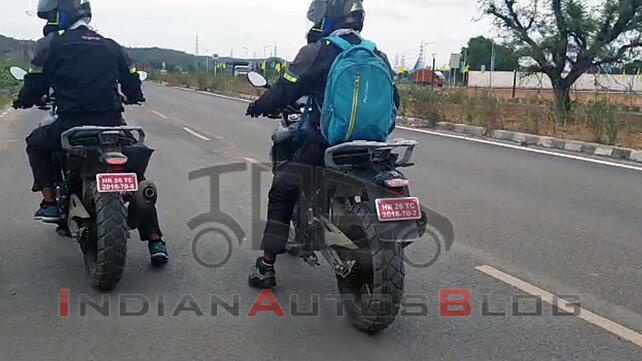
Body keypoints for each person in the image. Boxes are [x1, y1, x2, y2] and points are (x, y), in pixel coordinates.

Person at [245, 0, 399, 288]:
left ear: (328, 17)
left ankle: (266, 266)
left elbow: (284, 90)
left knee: (282, 188)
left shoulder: (316, 51)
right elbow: (395, 100)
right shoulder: (377, 54)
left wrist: (257, 105)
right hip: (370, 146)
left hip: (325, 143)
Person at [13, 0, 169, 265]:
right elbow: (132, 81)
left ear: (63, 15)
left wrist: (24, 100)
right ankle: (155, 240)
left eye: (51, 15)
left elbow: (35, 82)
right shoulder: (111, 45)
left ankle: (50, 203)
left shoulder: (52, 45)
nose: (48, 21)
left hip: (69, 124)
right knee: (136, 173)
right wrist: (134, 95)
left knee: (35, 144)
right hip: (112, 124)